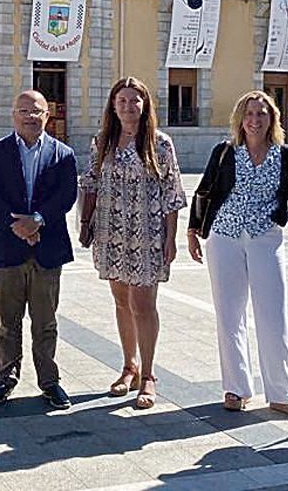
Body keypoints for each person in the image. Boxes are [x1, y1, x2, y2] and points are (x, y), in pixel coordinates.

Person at [186, 90, 288, 420]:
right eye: (250, 113)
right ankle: (236, 387)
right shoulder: (226, 152)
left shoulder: (285, 155)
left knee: (273, 315)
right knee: (229, 315)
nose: (255, 120)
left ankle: (283, 394)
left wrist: (280, 217)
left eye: (262, 114)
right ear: (240, 119)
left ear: (273, 119)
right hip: (223, 236)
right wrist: (194, 230)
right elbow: (205, 189)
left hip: (265, 239)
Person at [78, 76, 184, 409]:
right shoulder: (103, 142)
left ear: (145, 105)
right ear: (113, 105)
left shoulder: (160, 143)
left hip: (148, 234)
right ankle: (129, 366)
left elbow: (172, 193)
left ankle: (149, 375)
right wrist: (85, 222)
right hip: (111, 233)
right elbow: (90, 183)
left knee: (143, 304)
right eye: (121, 101)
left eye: (134, 100)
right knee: (121, 301)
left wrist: (171, 238)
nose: (128, 106)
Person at [0, 90, 78, 409]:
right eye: (24, 111)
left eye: (37, 112)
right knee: (7, 322)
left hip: (48, 249)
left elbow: (66, 196)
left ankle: (49, 381)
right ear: (13, 115)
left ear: (48, 116)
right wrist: (17, 225)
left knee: (46, 321)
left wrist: (38, 220)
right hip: (6, 248)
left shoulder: (63, 154)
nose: (30, 117)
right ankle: (6, 377)